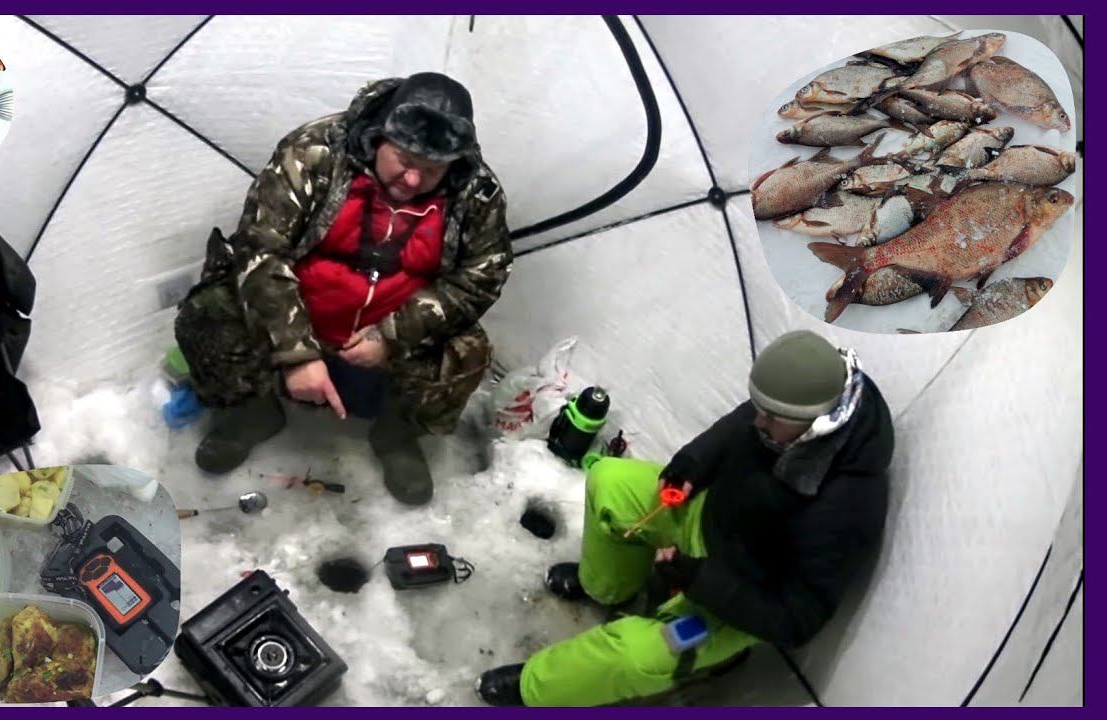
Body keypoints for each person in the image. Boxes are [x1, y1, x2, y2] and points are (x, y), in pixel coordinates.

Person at [475, 330, 895, 706]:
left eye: (770, 417)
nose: (758, 420)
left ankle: (537, 688)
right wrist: (690, 466)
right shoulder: (789, 409)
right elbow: (735, 428)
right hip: (709, 520)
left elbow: (796, 619)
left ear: (815, 425)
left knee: (635, 657)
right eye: (759, 407)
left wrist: (698, 580)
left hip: (738, 598)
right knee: (609, 481)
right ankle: (607, 590)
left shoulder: (846, 505)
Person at [174, 72, 512, 506]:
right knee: (208, 312)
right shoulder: (314, 152)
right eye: (405, 161)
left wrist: (391, 334)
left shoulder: (476, 191)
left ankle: (396, 435)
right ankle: (251, 415)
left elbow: (483, 276)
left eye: (430, 171)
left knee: (469, 348)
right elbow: (260, 248)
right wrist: (297, 353)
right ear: (378, 137)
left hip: (391, 319)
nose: (412, 180)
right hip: (302, 307)